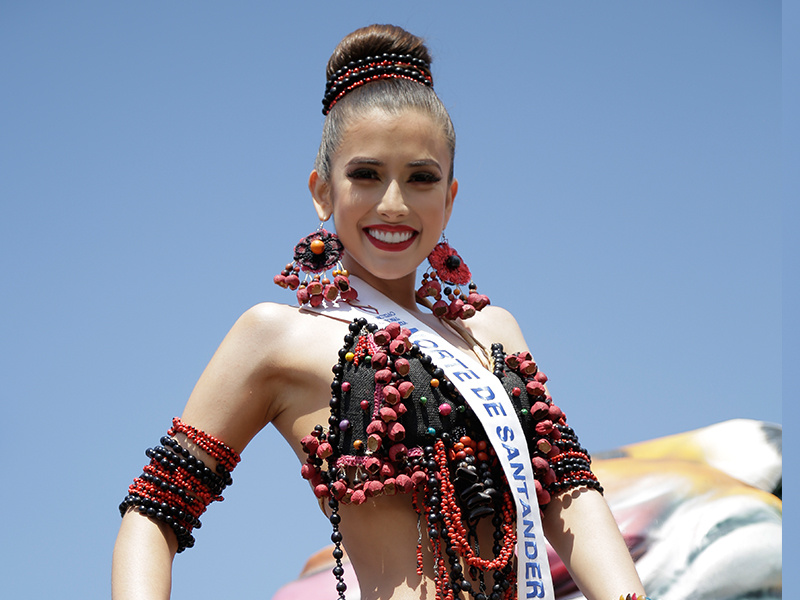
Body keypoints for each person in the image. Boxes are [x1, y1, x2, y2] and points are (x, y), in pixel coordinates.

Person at [112, 24, 650, 600]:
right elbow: (151, 514)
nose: (393, 204)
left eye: (422, 179)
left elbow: (569, 492)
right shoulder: (274, 338)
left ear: (450, 197)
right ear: (322, 191)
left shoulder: (493, 332)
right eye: (366, 175)